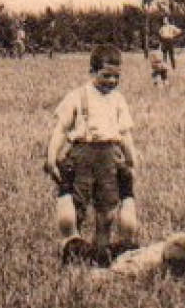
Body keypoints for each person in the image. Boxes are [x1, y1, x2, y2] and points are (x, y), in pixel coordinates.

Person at [46, 45, 140, 266]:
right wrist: (52, 156)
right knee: (76, 206)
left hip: (109, 157)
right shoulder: (77, 97)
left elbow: (125, 134)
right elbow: (61, 129)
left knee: (107, 209)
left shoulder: (118, 100)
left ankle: (101, 252)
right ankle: (72, 249)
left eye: (116, 77)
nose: (111, 81)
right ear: (92, 71)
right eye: (105, 75)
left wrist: (132, 160)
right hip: (82, 156)